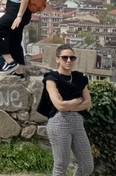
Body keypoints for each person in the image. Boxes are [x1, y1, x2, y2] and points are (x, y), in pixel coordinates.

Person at [37, 45, 93, 176]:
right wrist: (78, 100)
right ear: (57, 59)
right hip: (59, 122)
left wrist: (68, 104)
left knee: (87, 166)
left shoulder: (79, 78)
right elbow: (60, 107)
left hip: (78, 123)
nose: (69, 60)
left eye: (72, 58)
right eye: (65, 57)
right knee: (61, 165)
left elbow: (88, 102)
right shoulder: (51, 78)